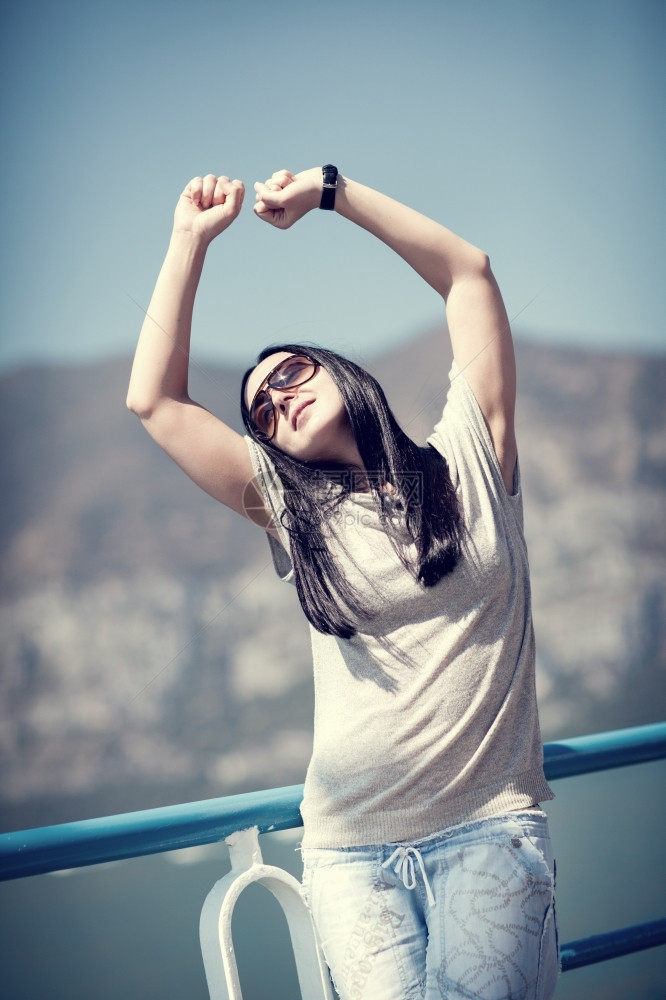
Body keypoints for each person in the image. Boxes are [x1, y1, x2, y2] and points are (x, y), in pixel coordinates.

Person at [127, 165, 559, 999]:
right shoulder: (296, 514)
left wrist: (331, 192)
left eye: (291, 375)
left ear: (342, 374)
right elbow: (155, 402)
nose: (276, 401)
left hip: (491, 837)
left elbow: (468, 271)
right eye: (260, 410)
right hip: (351, 859)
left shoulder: (472, 454)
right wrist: (189, 239)